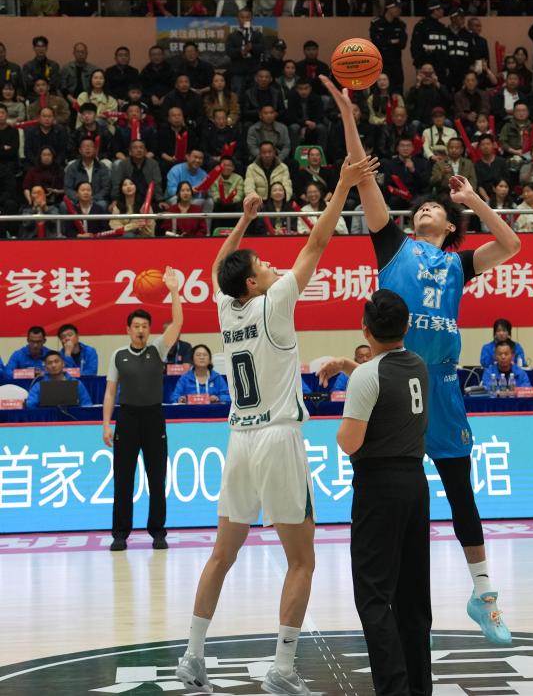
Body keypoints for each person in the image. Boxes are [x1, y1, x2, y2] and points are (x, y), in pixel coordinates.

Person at [322, 73, 520, 644]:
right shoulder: (393, 246)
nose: (427, 208)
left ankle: (484, 596)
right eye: (423, 206)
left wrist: (473, 200)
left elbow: (512, 245)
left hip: (443, 385)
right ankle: (388, 593)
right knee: (393, 490)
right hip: (395, 378)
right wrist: (350, 118)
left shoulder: (459, 264)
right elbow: (363, 179)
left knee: (461, 493)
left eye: (436, 206)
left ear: (450, 226)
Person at [176, 155, 376, 695]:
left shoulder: (227, 310)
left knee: (221, 555)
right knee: (302, 560)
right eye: (262, 264)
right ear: (252, 282)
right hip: (279, 437)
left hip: (239, 439)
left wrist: (243, 221)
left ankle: (192, 656)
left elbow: (218, 266)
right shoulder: (274, 302)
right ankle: (283, 669)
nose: (271, 266)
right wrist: (342, 186)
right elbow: (318, 242)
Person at [330, 291, 432, 696]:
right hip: (415, 484)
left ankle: (393, 689)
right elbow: (385, 380)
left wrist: (351, 377)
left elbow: (350, 442)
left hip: (378, 486)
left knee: (373, 596)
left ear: (365, 330)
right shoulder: (418, 365)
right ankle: (418, 687)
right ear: (406, 326)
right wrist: (350, 366)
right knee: (413, 596)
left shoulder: (366, 377)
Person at [102, 267, 183, 551]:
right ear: (128, 330)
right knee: (123, 480)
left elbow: (177, 323)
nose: (140, 330)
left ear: (150, 330)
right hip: (127, 418)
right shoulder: (118, 355)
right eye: (136, 326)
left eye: (145, 326)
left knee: (156, 478)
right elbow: (110, 392)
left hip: (153, 417)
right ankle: (120, 534)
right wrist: (106, 424)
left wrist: (174, 291)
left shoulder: (158, 349)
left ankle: (158, 532)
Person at [25, 351, 92, 409]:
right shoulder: (38, 386)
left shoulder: (77, 383)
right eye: (49, 363)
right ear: (45, 367)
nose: (53, 365)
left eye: (56, 361)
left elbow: (87, 405)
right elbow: (30, 405)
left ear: (63, 364)